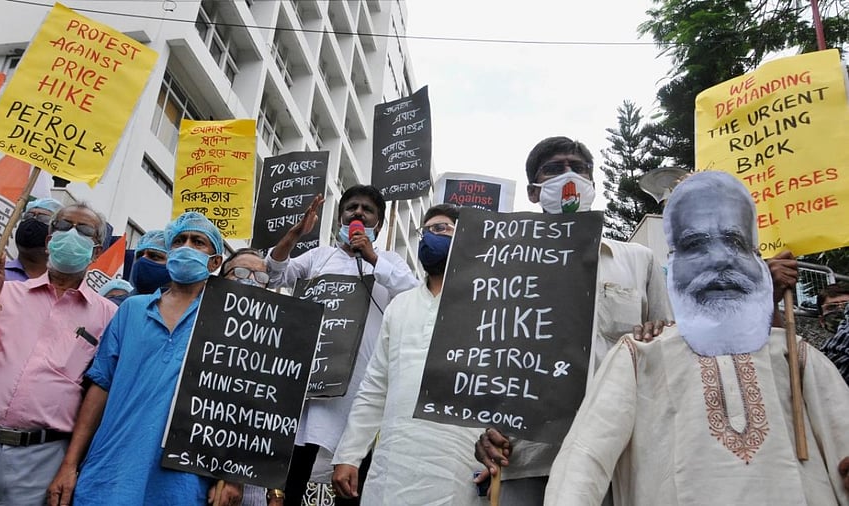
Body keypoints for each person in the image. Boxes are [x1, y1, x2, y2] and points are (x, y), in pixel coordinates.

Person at [542, 170, 849, 505]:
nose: (719, 260)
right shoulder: (640, 355)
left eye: (735, 242)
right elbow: (583, 461)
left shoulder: (796, 356)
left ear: (757, 260)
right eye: (694, 245)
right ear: (671, 264)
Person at [475, 136, 673, 503]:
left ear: (593, 186)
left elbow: (668, 353)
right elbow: (486, 362)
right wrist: (486, 430)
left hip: (617, 459)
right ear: (535, 192)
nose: (568, 176)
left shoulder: (638, 261)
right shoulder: (503, 268)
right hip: (527, 457)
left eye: (577, 168)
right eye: (553, 169)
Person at [46, 212, 243, 506]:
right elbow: (100, 386)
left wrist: (231, 476)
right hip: (110, 471)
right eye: (178, 241)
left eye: (197, 242)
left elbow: (240, 404)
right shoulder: (131, 310)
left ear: (215, 262)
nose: (186, 246)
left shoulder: (228, 322)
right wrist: (70, 463)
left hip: (182, 482)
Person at [0, 202, 117, 506]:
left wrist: (71, 465)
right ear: (49, 239)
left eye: (84, 230)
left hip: (42, 458)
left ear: (95, 251)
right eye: (63, 226)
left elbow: (102, 390)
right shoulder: (5, 294)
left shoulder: (109, 317)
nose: (71, 234)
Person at [266, 185, 418, 506]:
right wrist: (294, 235)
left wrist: (373, 258)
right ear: (340, 217)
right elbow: (274, 274)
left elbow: (412, 296)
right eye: (351, 208)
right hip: (314, 381)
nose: (358, 213)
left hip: (360, 388)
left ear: (379, 223)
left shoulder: (389, 261)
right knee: (296, 471)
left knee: (351, 479)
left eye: (367, 210)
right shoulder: (320, 257)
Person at [331, 203, 484, 505]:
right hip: (394, 462)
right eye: (425, 231)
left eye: (441, 229)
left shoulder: (486, 304)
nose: (430, 237)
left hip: (461, 461)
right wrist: (349, 454)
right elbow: (375, 387)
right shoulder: (400, 306)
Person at [219, 248, 279, 506]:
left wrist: (276, 492)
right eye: (241, 272)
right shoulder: (197, 323)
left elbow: (278, 422)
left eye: (260, 277)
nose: (250, 280)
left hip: (250, 485)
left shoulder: (279, 343)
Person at [128, 229, 170, 295]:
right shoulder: (121, 304)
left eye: (154, 256)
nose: (142, 260)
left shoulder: (188, 304)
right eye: (139, 256)